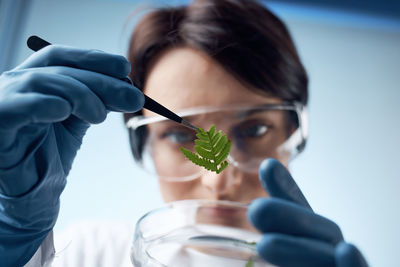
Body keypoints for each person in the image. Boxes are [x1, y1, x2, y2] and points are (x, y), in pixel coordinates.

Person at [0, 0, 369, 266]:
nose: (218, 181)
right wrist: (10, 240)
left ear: (295, 132)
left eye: (255, 129)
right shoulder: (89, 255)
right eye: (179, 136)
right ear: (142, 144)